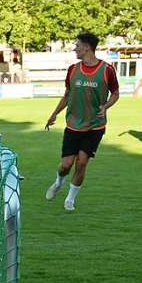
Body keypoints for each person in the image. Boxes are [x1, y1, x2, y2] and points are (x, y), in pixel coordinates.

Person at [45, 32, 120, 212]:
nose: (75, 48)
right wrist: (54, 114)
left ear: (87, 47)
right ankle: (58, 182)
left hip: (95, 126)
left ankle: (70, 199)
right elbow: (67, 94)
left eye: (77, 45)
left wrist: (106, 106)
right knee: (66, 165)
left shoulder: (107, 70)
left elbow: (116, 93)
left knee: (82, 162)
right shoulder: (72, 70)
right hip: (73, 125)